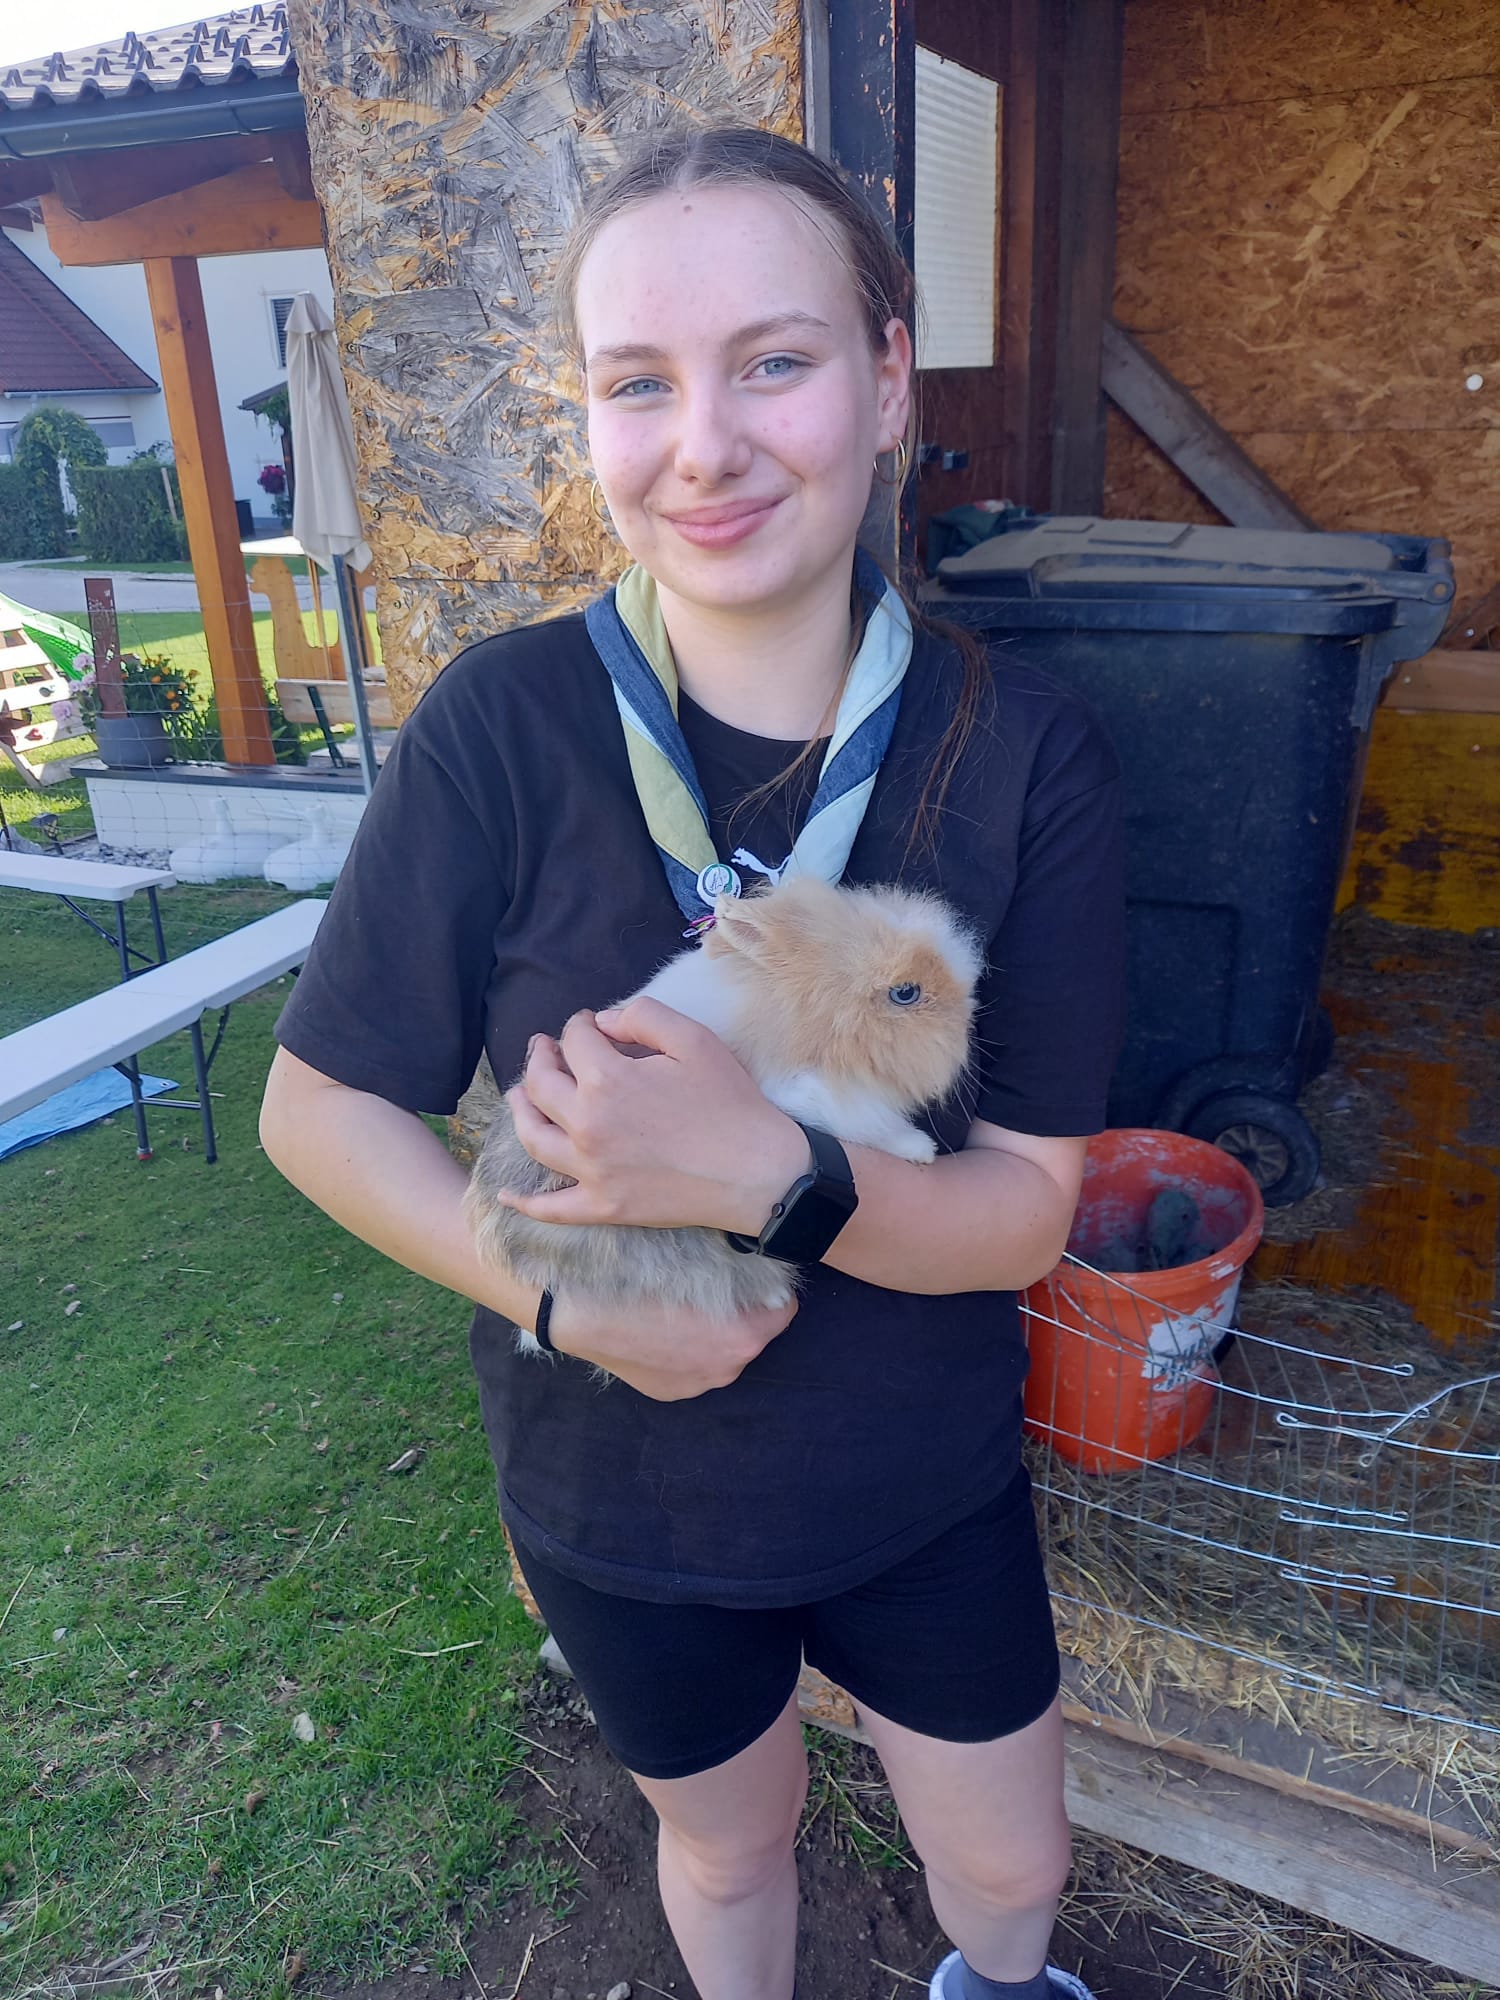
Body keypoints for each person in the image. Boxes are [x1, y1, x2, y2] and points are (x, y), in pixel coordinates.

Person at [260, 126, 1125, 2000]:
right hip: (617, 1495)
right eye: (637, 381)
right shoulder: (500, 728)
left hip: (920, 1481)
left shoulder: (1021, 751)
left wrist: (768, 1177)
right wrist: (564, 1307)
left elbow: (1026, 1214)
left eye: (774, 361)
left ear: (888, 380)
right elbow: (315, 1107)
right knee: (727, 1847)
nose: (704, 445)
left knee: (1011, 1867)